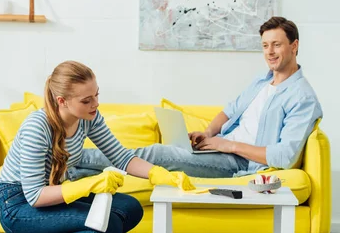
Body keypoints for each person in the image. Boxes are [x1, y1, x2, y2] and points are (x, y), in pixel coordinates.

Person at [0, 61, 194, 233]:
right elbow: (35, 196)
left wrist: (159, 173)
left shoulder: (89, 118)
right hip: (18, 207)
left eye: (96, 94)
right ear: (62, 101)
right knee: (105, 226)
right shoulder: (37, 127)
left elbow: (120, 156)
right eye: (86, 100)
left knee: (129, 208)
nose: (95, 104)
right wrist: (89, 184)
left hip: (52, 197)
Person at [82, 16, 322, 179]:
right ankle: (71, 172)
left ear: (294, 46)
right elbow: (229, 111)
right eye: (265, 45)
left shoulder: (302, 98)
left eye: (276, 45)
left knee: (156, 154)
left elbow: (285, 156)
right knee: (157, 156)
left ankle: (73, 157)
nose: (269, 52)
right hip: (221, 149)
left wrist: (227, 145)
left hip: (240, 163)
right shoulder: (262, 81)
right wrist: (208, 134)